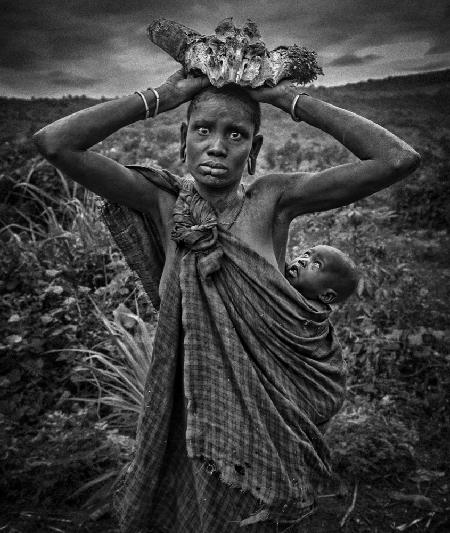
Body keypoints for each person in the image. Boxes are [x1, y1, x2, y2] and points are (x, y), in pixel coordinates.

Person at [33, 69, 420, 532]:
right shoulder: (162, 203)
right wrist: (166, 94)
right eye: (203, 130)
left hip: (269, 426)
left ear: (253, 150)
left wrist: (286, 98)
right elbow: (56, 143)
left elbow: (398, 159)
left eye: (235, 134)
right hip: (196, 414)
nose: (217, 146)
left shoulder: (273, 201)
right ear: (184, 139)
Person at [285, 245, 359, 305]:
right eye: (306, 255)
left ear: (326, 296)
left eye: (316, 264)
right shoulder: (280, 265)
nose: (302, 261)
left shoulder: (308, 319)